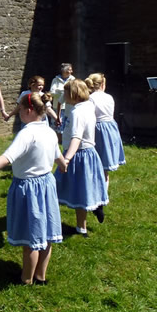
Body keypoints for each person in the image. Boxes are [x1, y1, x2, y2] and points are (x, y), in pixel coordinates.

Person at [0, 93, 67, 285]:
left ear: (29, 110)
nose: (19, 113)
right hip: (47, 185)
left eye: (21, 110)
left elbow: (7, 158)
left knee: (31, 237)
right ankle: (41, 276)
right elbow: (59, 157)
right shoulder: (49, 132)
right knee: (46, 234)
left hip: (28, 189)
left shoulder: (26, 133)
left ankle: (26, 279)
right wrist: (64, 165)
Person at [54, 79, 108, 237]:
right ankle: (81, 227)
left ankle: (48, 223)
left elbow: (76, 137)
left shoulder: (77, 112)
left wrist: (67, 158)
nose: (63, 96)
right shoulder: (87, 106)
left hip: (78, 155)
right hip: (88, 153)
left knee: (54, 187)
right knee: (82, 191)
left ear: (73, 94)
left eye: (65, 92)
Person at [85, 73, 126, 218]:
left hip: (96, 130)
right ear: (102, 84)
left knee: (94, 165)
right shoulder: (109, 97)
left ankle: (96, 198)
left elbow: (89, 117)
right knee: (105, 168)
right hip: (110, 129)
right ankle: (102, 198)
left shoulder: (90, 99)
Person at [49, 63, 75, 142]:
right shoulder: (55, 80)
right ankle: (56, 140)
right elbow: (51, 92)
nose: (71, 71)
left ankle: (64, 140)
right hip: (57, 105)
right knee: (56, 122)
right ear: (63, 71)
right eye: (68, 70)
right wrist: (61, 93)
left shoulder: (73, 79)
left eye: (71, 70)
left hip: (68, 105)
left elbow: (74, 91)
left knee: (66, 123)